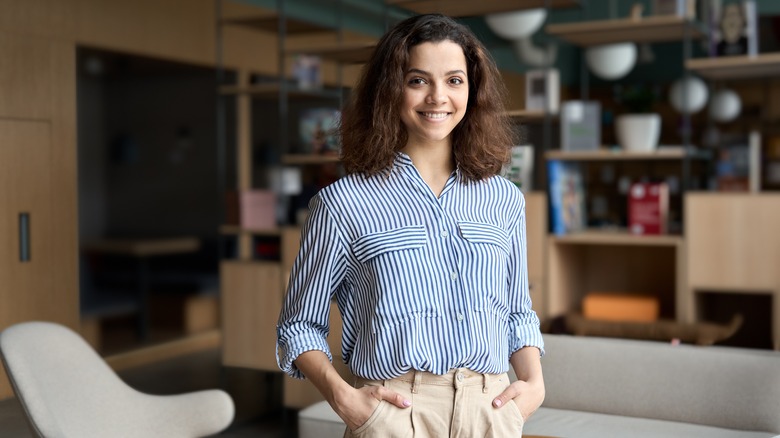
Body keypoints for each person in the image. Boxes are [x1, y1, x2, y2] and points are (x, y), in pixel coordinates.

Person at [276, 13, 544, 437]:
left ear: (472, 92)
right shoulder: (343, 203)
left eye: (454, 80)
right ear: (390, 90)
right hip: (396, 413)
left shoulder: (504, 200)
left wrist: (534, 385)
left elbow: (516, 311)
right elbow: (298, 325)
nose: (438, 96)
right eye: (418, 80)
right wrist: (343, 397)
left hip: (490, 410)